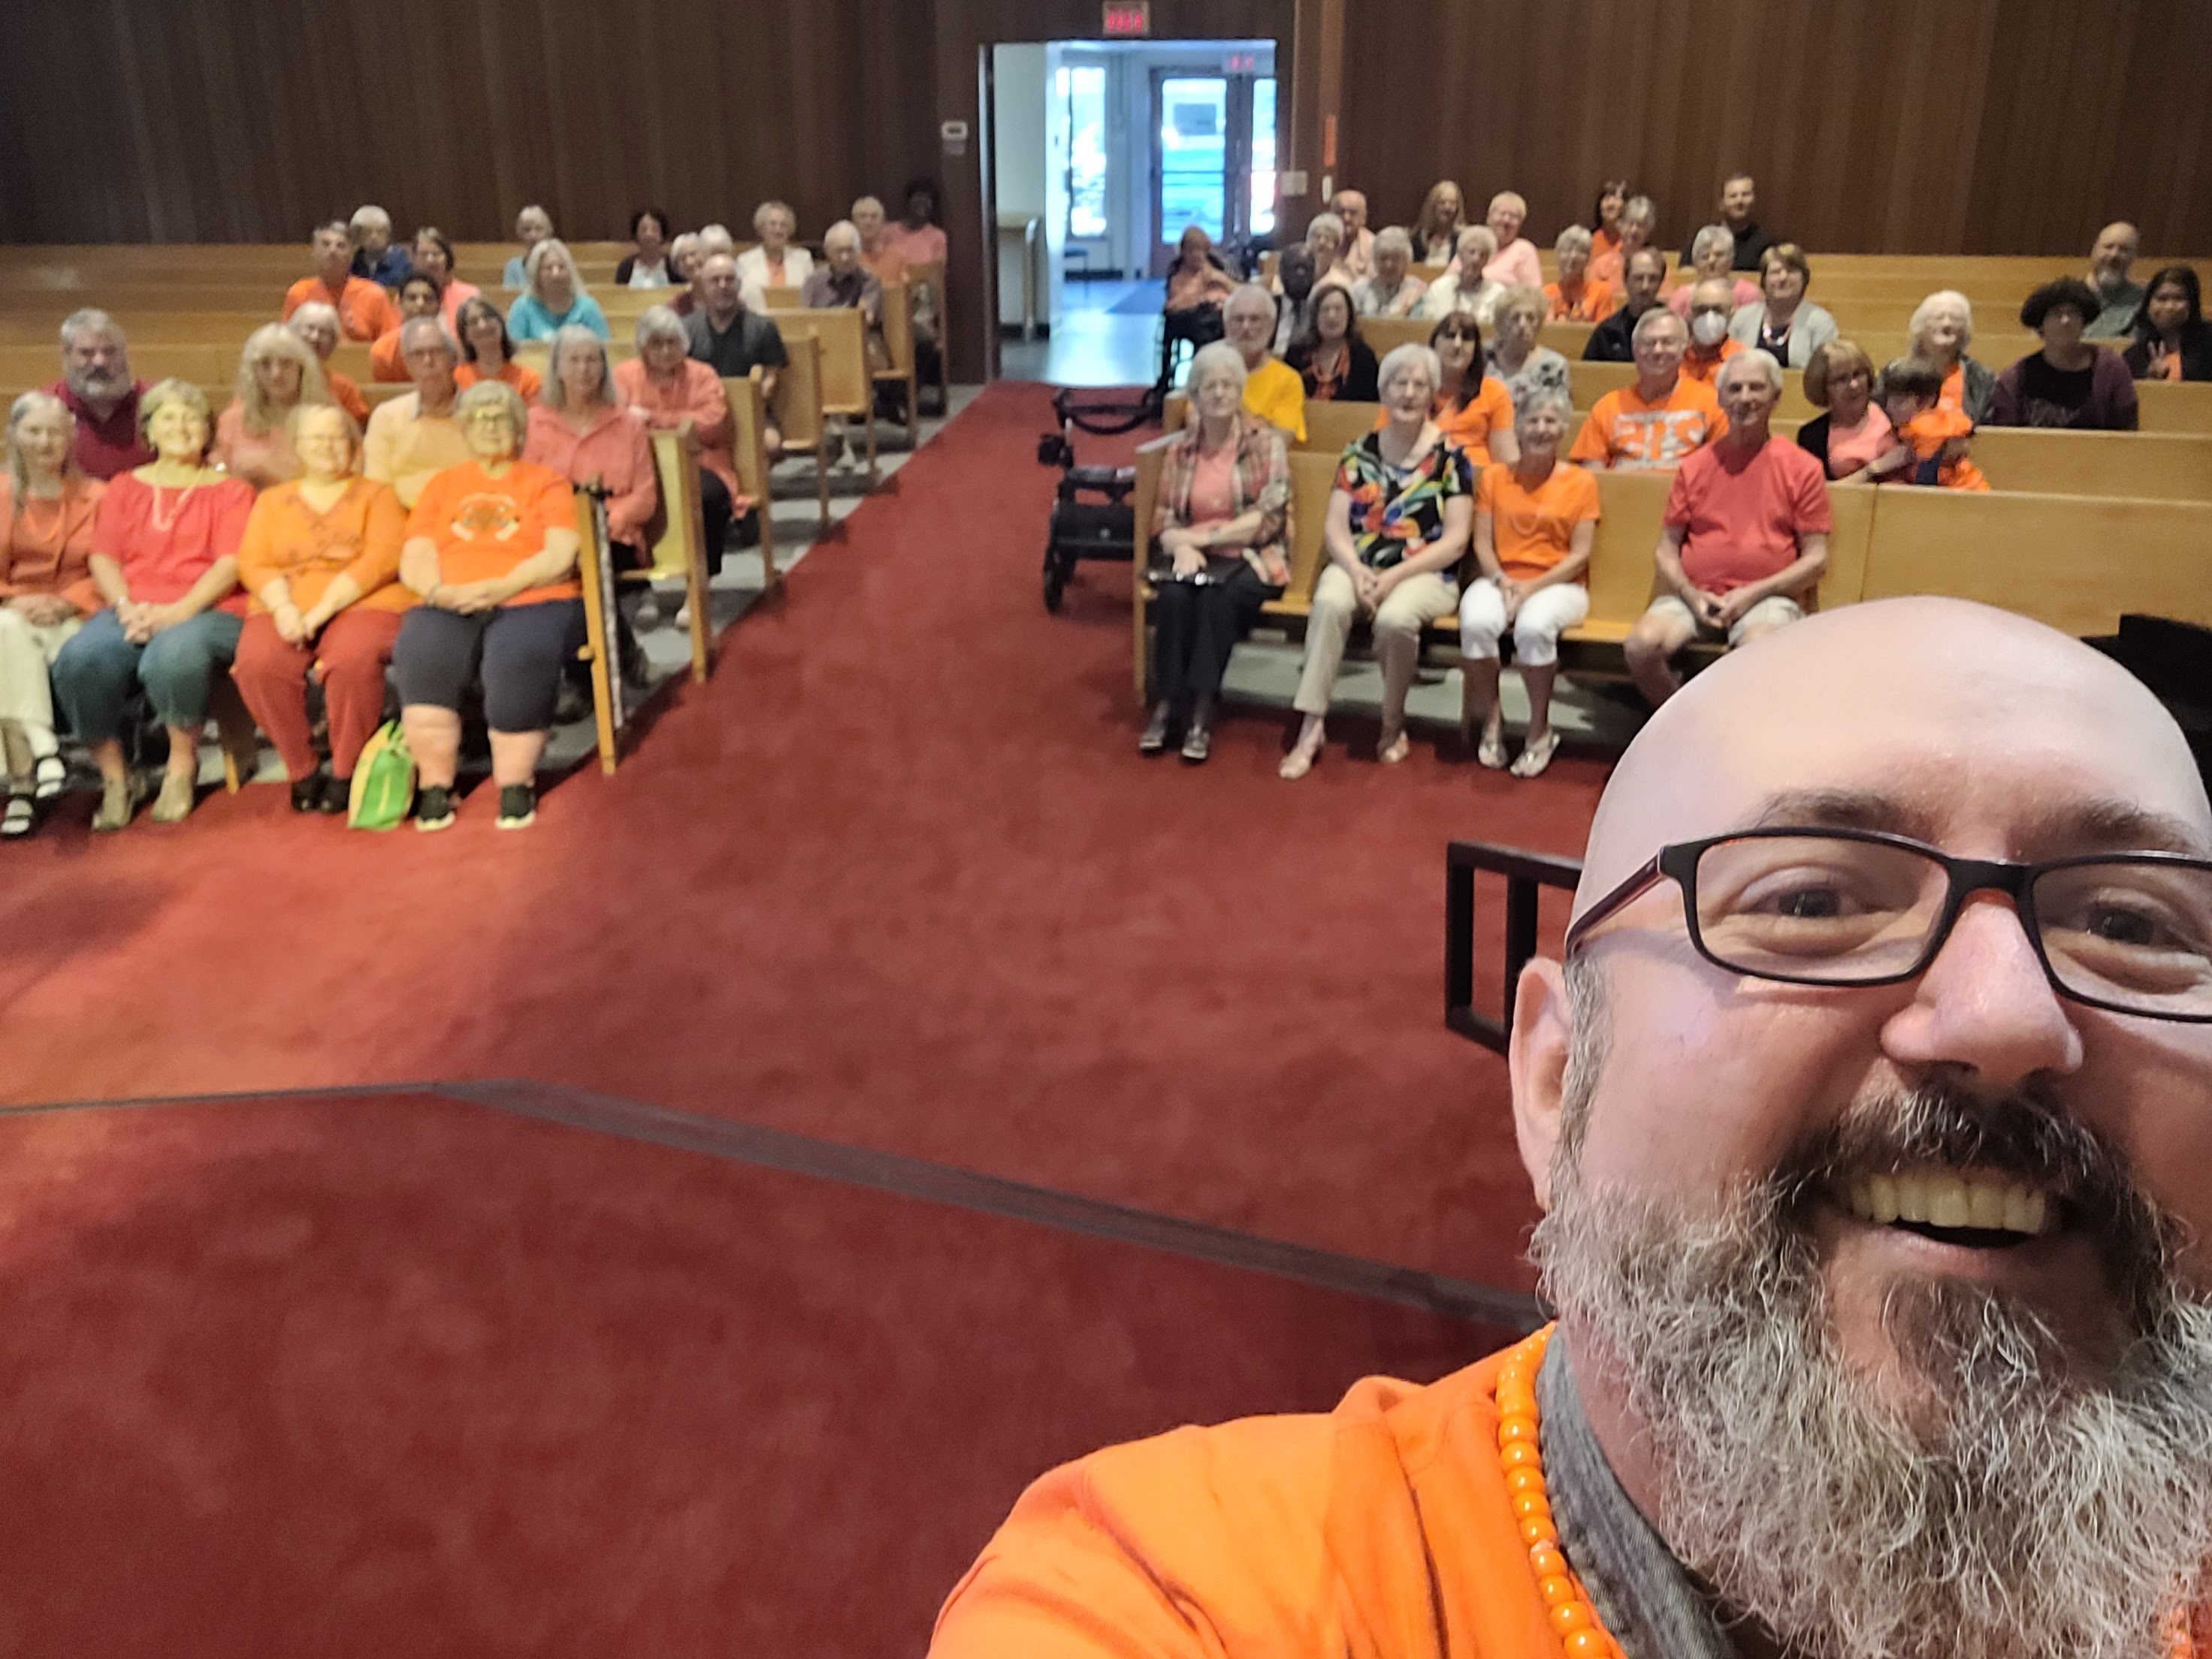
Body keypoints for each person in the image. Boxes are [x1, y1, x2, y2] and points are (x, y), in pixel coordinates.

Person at [931, 591, 2212, 1659]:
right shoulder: (1195, 1597)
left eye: (2130, 926)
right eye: (1815, 895)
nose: (2002, 1013)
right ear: (1554, 1079)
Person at [52, 379, 252, 830]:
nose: (181, 427)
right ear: (150, 431)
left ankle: (182, 766)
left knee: (172, 656)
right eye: (169, 417)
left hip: (208, 609)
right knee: (81, 659)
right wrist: (124, 606)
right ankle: (117, 776)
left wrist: (177, 613)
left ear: (208, 430)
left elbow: (230, 565)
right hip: (132, 607)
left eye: (192, 417)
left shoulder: (230, 490)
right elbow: (103, 557)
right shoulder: (124, 488)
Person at [392, 381, 583, 833]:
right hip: (449, 596)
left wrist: (502, 586)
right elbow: (416, 553)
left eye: (500, 418)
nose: (490, 427)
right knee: (421, 651)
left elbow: (561, 552)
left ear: (519, 428)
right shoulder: (444, 485)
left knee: (519, 656)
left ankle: (515, 783)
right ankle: (435, 785)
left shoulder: (546, 482)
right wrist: (438, 593)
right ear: (464, 428)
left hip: (531, 595)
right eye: (479, 419)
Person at [1280, 343, 1472, 781]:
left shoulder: (1452, 457)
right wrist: (1355, 569)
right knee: (1329, 603)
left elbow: (1457, 540)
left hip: (1423, 571)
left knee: (1395, 619)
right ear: (1383, 392)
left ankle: (1392, 721)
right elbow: (1335, 527)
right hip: (1360, 565)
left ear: (1432, 395)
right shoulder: (1357, 451)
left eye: (1418, 385)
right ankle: (1311, 725)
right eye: (1398, 384)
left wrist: (1395, 576)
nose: (1407, 393)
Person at [230, 404, 412, 814]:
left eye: (338, 438)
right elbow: (254, 561)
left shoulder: (377, 495)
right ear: (298, 449)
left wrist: (322, 609)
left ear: (353, 445)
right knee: (258, 663)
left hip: (364, 600)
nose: (328, 447)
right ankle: (302, 769)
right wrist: (283, 609)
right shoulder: (273, 501)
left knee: (351, 659)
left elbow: (383, 557)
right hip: (286, 602)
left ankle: (348, 770)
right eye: (317, 439)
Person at [1624, 350, 1828, 705]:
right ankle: (1685, 721)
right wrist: (1690, 593)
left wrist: (1752, 593)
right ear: (1720, 398)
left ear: (1776, 397)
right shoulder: (1696, 466)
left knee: (1754, 654)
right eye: (1735, 389)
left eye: (1756, 388)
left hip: (1767, 599)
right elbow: (1667, 547)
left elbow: (1816, 559)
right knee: (1641, 647)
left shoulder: (1802, 467)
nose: (1745, 398)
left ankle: (1728, 738)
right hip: (1697, 598)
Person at [1141, 342, 1292, 765]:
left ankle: (1203, 708)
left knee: (1215, 598)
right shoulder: (1180, 451)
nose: (1221, 394)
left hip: (1254, 556)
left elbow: (1269, 516)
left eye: (1229, 385)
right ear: (1195, 395)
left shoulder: (1265, 444)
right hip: (1195, 555)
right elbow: (1163, 520)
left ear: (1241, 391)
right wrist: (1179, 544)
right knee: (1173, 596)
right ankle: (1168, 704)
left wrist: (1200, 541)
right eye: (1211, 386)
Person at [1459, 388, 1599, 778]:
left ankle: (1539, 730)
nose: (1541, 428)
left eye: (1550, 421)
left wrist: (1530, 590)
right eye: (1532, 420)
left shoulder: (1582, 482)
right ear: (1517, 427)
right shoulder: (1495, 479)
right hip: (1502, 578)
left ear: (1563, 429)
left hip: (1561, 583)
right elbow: (1482, 543)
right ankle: (1492, 719)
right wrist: (1503, 580)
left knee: (1534, 626)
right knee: (1475, 621)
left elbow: (1579, 555)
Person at [0, 392, 104, 835]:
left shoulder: (97, 495)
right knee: (6, 632)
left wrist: (66, 602)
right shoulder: (1, 493)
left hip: (73, 615)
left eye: (55, 432)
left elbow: (112, 565)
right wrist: (11, 599)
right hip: (11, 611)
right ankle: (41, 753)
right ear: (14, 436)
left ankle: (23, 786)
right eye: (34, 432)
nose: (45, 442)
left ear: (71, 439)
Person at [616, 305, 747, 579]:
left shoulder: (702, 375)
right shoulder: (624, 376)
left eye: (672, 342)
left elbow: (711, 424)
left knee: (707, 496)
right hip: (640, 467)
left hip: (700, 461)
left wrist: (654, 419)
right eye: (656, 343)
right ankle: (638, 585)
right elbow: (617, 424)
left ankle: (700, 579)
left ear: (684, 343)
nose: (665, 351)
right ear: (642, 346)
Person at [524, 325, 657, 570]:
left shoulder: (628, 424)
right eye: (574, 360)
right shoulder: (534, 423)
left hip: (615, 536)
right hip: (553, 536)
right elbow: (527, 492)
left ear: (604, 368)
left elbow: (645, 496)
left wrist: (603, 524)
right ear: (558, 370)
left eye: (592, 360)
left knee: (595, 560)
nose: (584, 369)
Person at [1570, 309, 1725, 470]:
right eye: (1649, 342)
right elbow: (1592, 476)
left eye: (1668, 342)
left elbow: (1721, 472)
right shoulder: (1608, 407)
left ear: (1684, 348)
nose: (1657, 350)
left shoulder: (1711, 403)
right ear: (1635, 350)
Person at [1987, 279, 2139, 431]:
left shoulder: (2110, 369)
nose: (2066, 321)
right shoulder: (2016, 377)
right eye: (2057, 314)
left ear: (2084, 322)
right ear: (2041, 326)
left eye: (2073, 313)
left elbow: (2126, 432)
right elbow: (2005, 438)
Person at [363, 317, 473, 510]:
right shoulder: (386, 416)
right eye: (418, 354)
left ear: (454, 358)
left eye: (436, 352)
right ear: (407, 365)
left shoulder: (480, 414)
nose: (428, 361)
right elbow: (377, 490)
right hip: (404, 521)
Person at [212, 324, 328, 491]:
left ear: (302, 368)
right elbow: (217, 471)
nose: (276, 373)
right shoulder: (232, 421)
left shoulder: (327, 420)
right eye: (265, 364)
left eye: (286, 363)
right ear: (253, 372)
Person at [49, 310, 153, 479]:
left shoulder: (156, 404)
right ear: (66, 357)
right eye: (86, 353)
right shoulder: (43, 406)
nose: (100, 362)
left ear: (125, 355)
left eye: (110, 351)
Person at [1866, 358, 1990, 492]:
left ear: (1925, 402)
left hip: (1966, 492)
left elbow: (1921, 459)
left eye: (1899, 401)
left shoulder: (1926, 428)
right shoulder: (1904, 426)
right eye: (1887, 400)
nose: (1889, 407)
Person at [684, 254, 790, 391]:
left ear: (739, 285)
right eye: (715, 280)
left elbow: (771, 377)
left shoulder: (763, 327)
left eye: (729, 279)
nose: (723, 286)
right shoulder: (686, 329)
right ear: (704, 286)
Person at [282, 222, 400, 343]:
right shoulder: (298, 293)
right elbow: (287, 345)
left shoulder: (374, 295)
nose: (333, 251)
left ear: (351, 255)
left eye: (341, 246)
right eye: (326, 244)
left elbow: (390, 345)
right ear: (314, 252)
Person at [1425, 315, 1518, 467]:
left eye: (1467, 338)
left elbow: (1506, 459)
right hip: (1419, 481)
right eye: (1450, 336)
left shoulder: (1494, 391)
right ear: (1434, 343)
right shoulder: (1410, 388)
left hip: (1476, 480)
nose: (1458, 344)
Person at [1794, 340, 1894, 481]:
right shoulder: (1811, 436)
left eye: (1858, 374)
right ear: (1823, 387)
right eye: (1841, 379)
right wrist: (1873, 470)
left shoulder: (1895, 414)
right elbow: (1818, 493)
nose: (1853, 385)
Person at [1727, 243, 1836, 367]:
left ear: (1804, 278)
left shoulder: (1821, 321)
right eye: (1775, 272)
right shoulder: (1743, 317)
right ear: (1764, 280)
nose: (1783, 277)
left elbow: (1825, 372)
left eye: (1791, 271)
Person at [1222, 285, 1305, 443]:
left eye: (1255, 319)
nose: (1246, 327)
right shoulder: (1209, 370)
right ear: (1226, 327)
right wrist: (1260, 424)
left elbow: (1281, 439)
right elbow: (1198, 423)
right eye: (1239, 319)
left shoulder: (1289, 380)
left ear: (1271, 327)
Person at [1907, 289, 1997, 424]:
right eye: (1938, 318)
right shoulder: (1893, 376)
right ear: (1920, 327)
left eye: (1956, 319)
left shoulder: (1983, 379)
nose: (1947, 324)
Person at [1162, 225, 1239, 378]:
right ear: (1183, 252)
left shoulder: (1217, 267)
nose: (1197, 255)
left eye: (1201, 250)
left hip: (1219, 317)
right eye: (1192, 250)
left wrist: (1222, 280)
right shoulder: (1177, 272)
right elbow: (1174, 305)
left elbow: (1241, 293)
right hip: (1187, 320)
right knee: (1204, 326)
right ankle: (1204, 372)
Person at [286, 304, 372, 428]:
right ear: (292, 334)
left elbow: (356, 433)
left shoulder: (343, 388)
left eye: (323, 332)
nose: (315, 337)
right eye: (310, 328)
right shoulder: (273, 382)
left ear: (333, 344)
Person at [1287, 284, 1378, 403]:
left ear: (1349, 315)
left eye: (1338, 309)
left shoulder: (1363, 357)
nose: (1332, 316)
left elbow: (1369, 407)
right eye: (1325, 310)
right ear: (1316, 316)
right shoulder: (1296, 353)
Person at [506, 239, 610, 343]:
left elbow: (604, 349)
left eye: (561, 267)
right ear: (536, 274)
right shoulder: (522, 308)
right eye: (548, 268)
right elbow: (514, 351)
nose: (556, 274)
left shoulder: (588, 307)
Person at [1485, 286, 1570, 412]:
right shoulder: (1483, 358)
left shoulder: (1553, 366)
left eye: (1530, 318)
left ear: (1540, 324)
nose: (1522, 325)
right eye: (1515, 318)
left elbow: (1557, 415)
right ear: (1501, 324)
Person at [2123, 264, 2212, 382]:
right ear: (2148, 305)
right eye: (2162, 299)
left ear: (2192, 304)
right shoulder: (2135, 355)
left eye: (2179, 298)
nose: (2170, 307)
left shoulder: (2208, 341)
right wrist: (2150, 381)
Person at [1581, 247, 1669, 363]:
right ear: (1625, 281)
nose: (1645, 286)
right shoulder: (1607, 332)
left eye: (1653, 279)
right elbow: (1589, 374)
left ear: (1661, 282)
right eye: (1638, 278)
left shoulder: (1674, 329)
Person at [453, 295, 544, 403]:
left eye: (488, 317)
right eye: (473, 322)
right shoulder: (457, 378)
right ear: (465, 336)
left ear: (500, 323)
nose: (483, 325)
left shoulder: (528, 378)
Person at [1680, 171, 1772, 270]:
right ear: (1721, 204)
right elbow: (1685, 271)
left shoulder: (1766, 242)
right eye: (1733, 196)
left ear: (1754, 200)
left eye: (1745, 195)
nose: (1739, 201)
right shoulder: (1704, 236)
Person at [367, 271, 448, 382]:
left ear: (439, 306)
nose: (420, 304)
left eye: (428, 298)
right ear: (399, 304)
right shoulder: (383, 350)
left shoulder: (452, 349)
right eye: (412, 298)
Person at [736, 201, 814, 311]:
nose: (778, 230)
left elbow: (811, 298)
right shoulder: (745, 261)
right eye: (773, 224)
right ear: (762, 229)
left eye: (783, 225)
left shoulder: (803, 259)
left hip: (794, 322)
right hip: (759, 323)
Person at [1668, 226, 1760, 319]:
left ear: (1731, 259)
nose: (1711, 261)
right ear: (1695, 263)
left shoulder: (1748, 294)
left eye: (1719, 255)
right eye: (1705, 256)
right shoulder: (1682, 296)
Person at [1418, 226, 1502, 323]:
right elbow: (1426, 324)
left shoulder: (1497, 294)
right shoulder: (1439, 288)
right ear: (1460, 255)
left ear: (1487, 260)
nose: (1476, 259)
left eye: (1482, 255)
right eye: (1472, 252)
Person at [2081, 220, 2144, 340]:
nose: (2114, 255)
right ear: (2093, 251)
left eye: (2124, 249)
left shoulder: (2141, 303)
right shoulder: (2066, 296)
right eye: (2108, 247)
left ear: (2134, 257)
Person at [409, 227, 481, 331]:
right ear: (414, 259)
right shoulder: (407, 297)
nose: (430, 260)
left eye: (436, 254)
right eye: (424, 254)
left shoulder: (469, 296)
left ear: (447, 258)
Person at [1680, 279, 1747, 385]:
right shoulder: (1674, 357)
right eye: (1701, 310)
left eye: (1717, 310)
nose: (1709, 318)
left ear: (1731, 315)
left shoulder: (1744, 359)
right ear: (1690, 315)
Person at [1544, 226, 1616, 324]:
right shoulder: (1546, 294)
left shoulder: (1601, 292)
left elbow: (1605, 334)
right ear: (1557, 255)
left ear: (1588, 259)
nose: (1573, 257)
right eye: (1567, 250)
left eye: (1580, 251)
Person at [1587, 193, 1656, 295]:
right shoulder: (1601, 265)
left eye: (1640, 225)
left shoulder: (1656, 266)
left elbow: (1665, 302)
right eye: (1630, 223)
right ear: (1620, 226)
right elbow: (1591, 302)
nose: (1634, 230)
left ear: (1649, 230)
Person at [1350, 228, 1425, 319]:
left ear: (1406, 262)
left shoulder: (1416, 289)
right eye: (1383, 258)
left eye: (1395, 259)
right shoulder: (1360, 290)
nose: (1388, 265)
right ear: (1375, 261)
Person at [1482, 192, 1543, 291]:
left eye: (1513, 216)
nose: (1506, 220)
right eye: (1502, 214)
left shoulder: (1525, 250)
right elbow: (1451, 279)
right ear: (1489, 218)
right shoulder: (1475, 243)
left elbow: (1533, 295)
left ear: (1520, 224)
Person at [884, 177, 949, 268]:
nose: (923, 201)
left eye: (928, 198)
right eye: (919, 196)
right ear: (908, 200)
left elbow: (936, 274)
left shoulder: (938, 236)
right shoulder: (887, 231)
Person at [1268, 243, 1318, 355]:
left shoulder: (1319, 310)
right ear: (1281, 272)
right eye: (1295, 267)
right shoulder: (1267, 307)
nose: (1301, 274)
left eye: (1306, 268)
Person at [347, 205, 411, 290]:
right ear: (359, 236)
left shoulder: (401, 262)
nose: (374, 237)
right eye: (368, 232)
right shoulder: (354, 262)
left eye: (380, 231)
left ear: (388, 234)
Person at [851, 196, 908, 288]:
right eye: (863, 216)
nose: (868, 222)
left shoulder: (898, 257)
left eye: (874, 217)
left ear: (883, 223)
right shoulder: (847, 258)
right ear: (853, 223)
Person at [614, 209, 673, 289]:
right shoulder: (626, 267)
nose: (649, 234)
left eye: (655, 229)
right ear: (636, 235)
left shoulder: (673, 266)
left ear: (662, 234)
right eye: (644, 230)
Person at [1411, 180, 1465, 264]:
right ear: (1433, 206)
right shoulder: (1418, 239)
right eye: (1442, 202)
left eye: (1452, 203)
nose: (1447, 208)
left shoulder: (1463, 239)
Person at [1328, 189, 1374, 280]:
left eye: (1353, 213)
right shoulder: (1322, 243)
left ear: (1363, 218)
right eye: (1341, 212)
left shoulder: (1373, 246)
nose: (1346, 218)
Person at [503, 205, 552, 289]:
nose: (533, 235)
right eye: (527, 230)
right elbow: (509, 297)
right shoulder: (513, 266)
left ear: (547, 232)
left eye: (538, 229)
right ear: (520, 234)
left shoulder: (557, 264)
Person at [1587, 177, 1632, 263]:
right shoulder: (1587, 240)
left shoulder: (1633, 242)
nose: (1610, 204)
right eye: (1606, 199)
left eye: (1616, 199)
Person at [1304, 212, 1350, 288]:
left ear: (1337, 248)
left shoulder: (1340, 284)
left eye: (1328, 238)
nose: (1322, 242)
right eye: (1317, 236)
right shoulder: (1294, 276)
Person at [665, 234, 703, 316]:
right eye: (683, 258)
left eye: (693, 254)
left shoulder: (722, 293)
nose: (689, 262)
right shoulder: (675, 306)